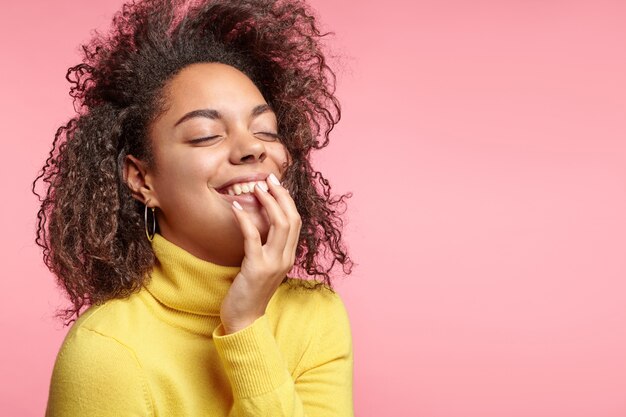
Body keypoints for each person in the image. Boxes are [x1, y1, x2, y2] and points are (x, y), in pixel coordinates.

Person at [34, 0, 354, 415]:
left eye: (265, 130)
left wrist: (245, 324)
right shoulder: (106, 350)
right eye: (206, 135)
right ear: (142, 180)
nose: (252, 148)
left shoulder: (316, 315)